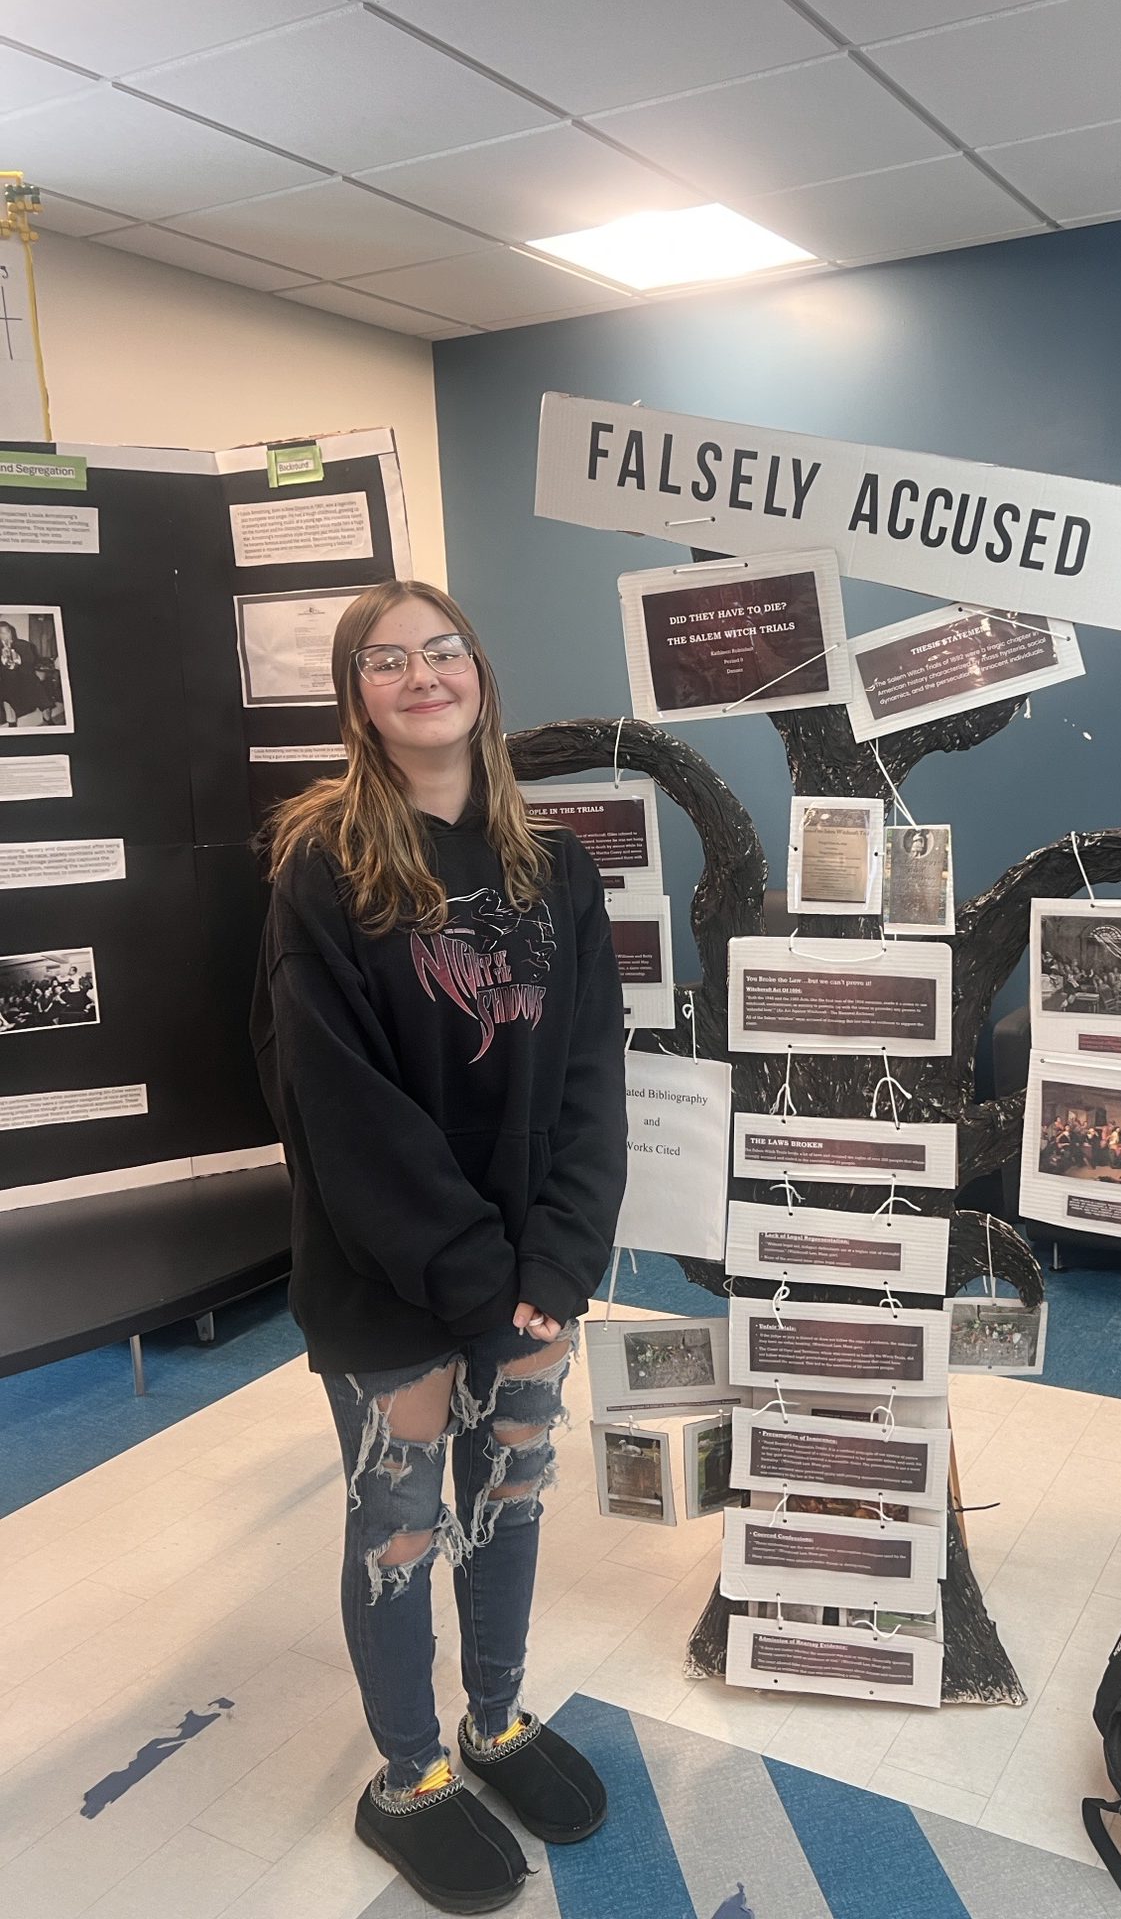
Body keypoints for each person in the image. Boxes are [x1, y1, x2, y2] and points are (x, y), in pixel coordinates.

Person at [252, 580, 627, 1914]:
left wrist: (560, 1263)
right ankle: (407, 1774)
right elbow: (340, 1109)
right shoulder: (322, 866)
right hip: (388, 1271)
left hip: (529, 1272)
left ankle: (496, 1719)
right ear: (358, 697)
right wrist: (479, 1278)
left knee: (511, 1496)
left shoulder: (557, 866)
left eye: (444, 651)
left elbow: (590, 1078)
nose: (424, 676)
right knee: (402, 1518)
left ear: (481, 673)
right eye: (388, 661)